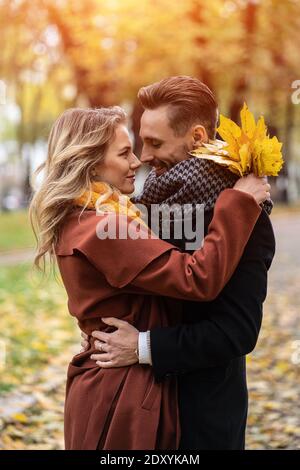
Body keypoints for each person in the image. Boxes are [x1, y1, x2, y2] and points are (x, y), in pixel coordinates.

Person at [30, 105, 269, 450]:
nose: (137, 161)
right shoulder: (101, 228)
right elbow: (196, 278)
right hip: (123, 398)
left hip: (114, 388)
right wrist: (239, 203)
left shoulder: (93, 217)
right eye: (125, 152)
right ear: (90, 162)